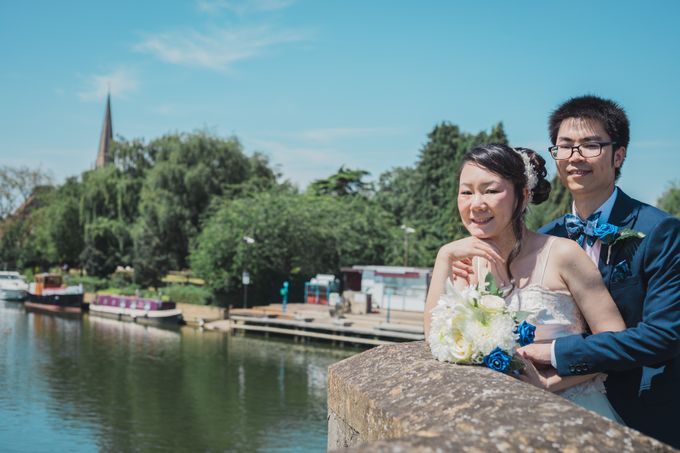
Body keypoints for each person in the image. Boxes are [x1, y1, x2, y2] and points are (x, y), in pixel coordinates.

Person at [513, 95, 680, 448]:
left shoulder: (660, 231)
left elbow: (663, 336)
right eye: (565, 146)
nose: (575, 157)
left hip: (640, 410)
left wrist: (557, 353)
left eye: (590, 145)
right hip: (556, 407)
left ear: (618, 155)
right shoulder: (548, 238)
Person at [423, 143, 626, 421]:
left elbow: (614, 341)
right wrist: (443, 257)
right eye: (466, 192)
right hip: (492, 415)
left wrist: (547, 384)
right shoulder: (465, 262)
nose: (476, 204)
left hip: (572, 412)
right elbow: (437, 340)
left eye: (491, 190)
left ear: (524, 195)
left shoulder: (562, 254)